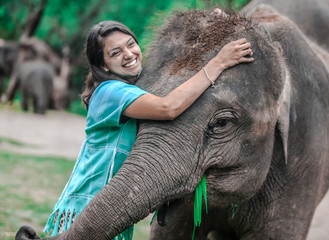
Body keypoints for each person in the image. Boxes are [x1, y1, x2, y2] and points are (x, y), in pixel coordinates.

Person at [43, 20, 254, 239]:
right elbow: (168, 107)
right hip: (89, 209)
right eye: (115, 53)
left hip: (115, 206)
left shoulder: (135, 87)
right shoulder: (111, 91)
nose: (128, 53)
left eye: (131, 44)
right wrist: (218, 63)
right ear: (103, 65)